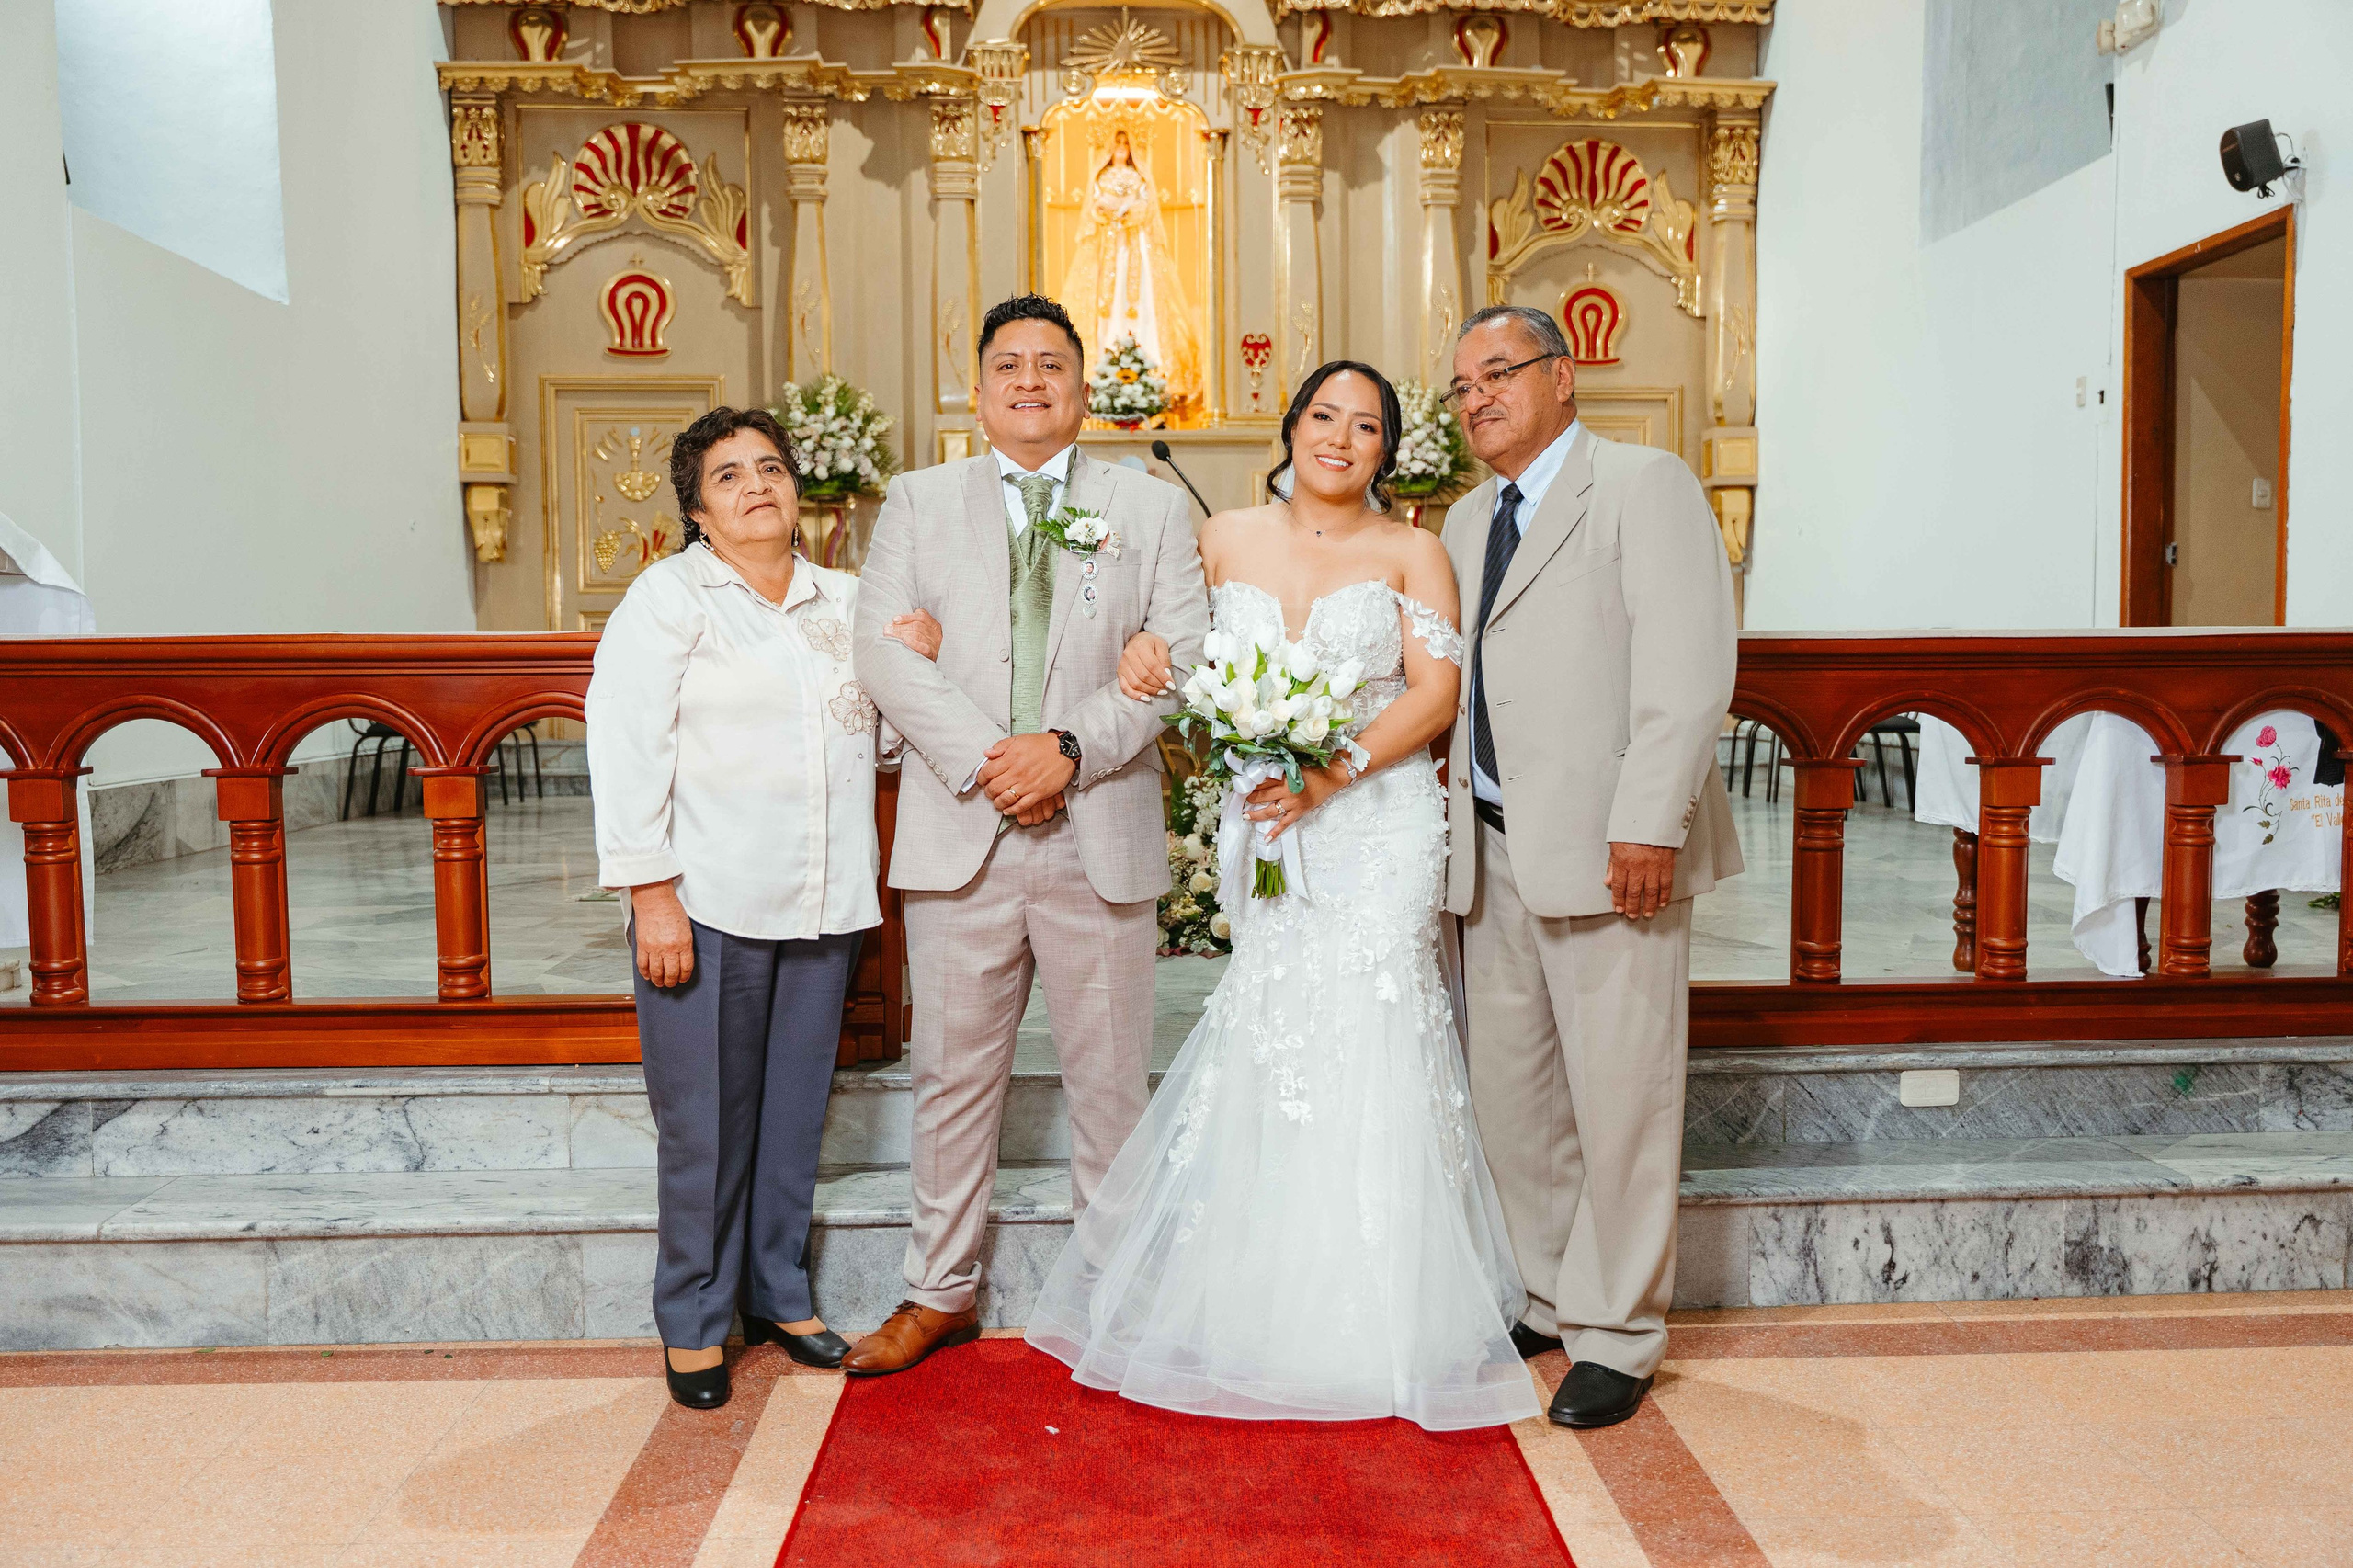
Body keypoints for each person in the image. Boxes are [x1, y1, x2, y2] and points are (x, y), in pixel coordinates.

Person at [1025, 360, 1540, 1431]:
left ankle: (1381, 1313)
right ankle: (1257, 1293)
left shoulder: (1412, 550)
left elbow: (1437, 693)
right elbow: (1169, 657)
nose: (1340, 439)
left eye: (1365, 425)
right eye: (1323, 417)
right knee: (1271, 1025)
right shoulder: (1220, 542)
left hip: (1374, 819)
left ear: (1387, 450)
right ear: (1291, 427)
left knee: (1370, 1024)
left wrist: (1330, 772)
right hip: (1263, 815)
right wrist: (1151, 658)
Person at [846, 294, 1211, 1375]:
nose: (1029, 380)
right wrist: (997, 761)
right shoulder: (915, 501)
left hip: (1097, 823)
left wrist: (1065, 748)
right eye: (1008, 364)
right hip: (962, 824)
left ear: (1083, 390)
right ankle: (938, 1289)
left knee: (1109, 1081)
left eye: (1052, 364)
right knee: (952, 1077)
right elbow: (880, 652)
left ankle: (1114, 1294)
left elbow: (1180, 656)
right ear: (977, 389)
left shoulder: (1145, 509)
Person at [587, 406, 943, 1410]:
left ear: (797, 490)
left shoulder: (848, 598)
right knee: (703, 1122)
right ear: (698, 510)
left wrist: (914, 658)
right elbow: (625, 748)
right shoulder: (667, 600)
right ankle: (696, 1317)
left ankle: (779, 1292)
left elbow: (874, 744)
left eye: (772, 468)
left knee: (791, 1118)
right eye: (730, 475)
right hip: (706, 899)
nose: (756, 485)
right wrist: (651, 894)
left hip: (824, 897)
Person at [1438, 304, 1742, 1429]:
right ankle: (1548, 1293)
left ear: (1561, 376)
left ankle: (1618, 1329)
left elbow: (1689, 663)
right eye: (1462, 386)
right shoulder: (1468, 518)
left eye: (1498, 374)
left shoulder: (1641, 483)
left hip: (1615, 846)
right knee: (1515, 1095)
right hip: (1495, 846)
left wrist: (1650, 821)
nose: (1477, 398)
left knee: (1620, 1093)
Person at [1057, 129, 1201, 410]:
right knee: (1106, 306)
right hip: (1108, 247)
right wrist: (1109, 211)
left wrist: (1129, 211)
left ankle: (1151, 370)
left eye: (1126, 143)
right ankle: (1104, 368)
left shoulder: (1139, 177)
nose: (1122, 148)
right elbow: (1094, 205)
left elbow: (1146, 206)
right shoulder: (1102, 177)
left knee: (1141, 303)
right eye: (1118, 143)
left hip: (1136, 245)